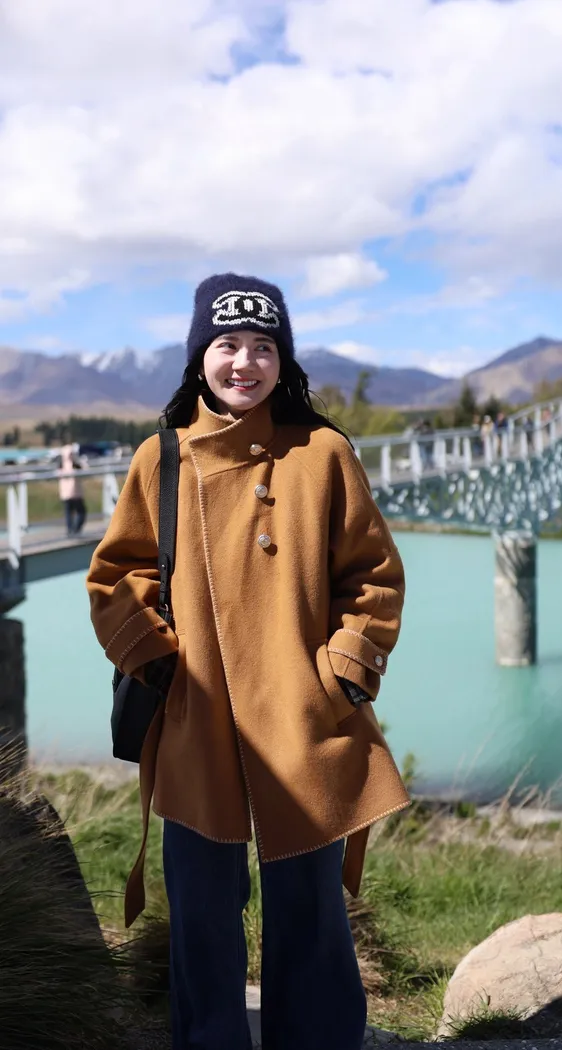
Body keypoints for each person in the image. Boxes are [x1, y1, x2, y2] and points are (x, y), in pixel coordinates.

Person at [85, 274, 410, 1050]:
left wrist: (340, 675)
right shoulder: (162, 458)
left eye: (264, 347)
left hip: (304, 718)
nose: (245, 363)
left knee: (310, 909)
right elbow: (117, 577)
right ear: (200, 356)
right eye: (227, 344)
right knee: (201, 912)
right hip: (196, 719)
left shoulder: (323, 452)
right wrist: (161, 666)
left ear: (282, 360)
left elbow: (373, 575)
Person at [58, 442, 86, 536]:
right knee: (81, 511)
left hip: (65, 493)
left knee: (68, 512)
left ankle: (70, 530)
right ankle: (76, 530)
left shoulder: (61, 464)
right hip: (75, 493)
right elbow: (85, 469)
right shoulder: (75, 464)